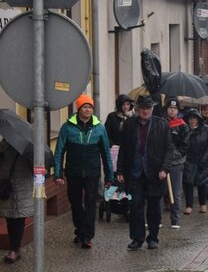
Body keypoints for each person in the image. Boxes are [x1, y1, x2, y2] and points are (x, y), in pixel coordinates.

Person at [54, 94, 113, 249]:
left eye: (90, 107)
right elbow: (59, 151)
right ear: (79, 109)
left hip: (92, 172)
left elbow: (106, 153)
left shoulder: (99, 128)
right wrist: (58, 174)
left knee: (90, 202)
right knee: (75, 201)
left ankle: (87, 235)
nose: (87, 110)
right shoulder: (67, 127)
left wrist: (109, 176)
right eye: (84, 107)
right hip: (73, 171)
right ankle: (80, 230)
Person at [116, 95, 172, 250]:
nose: (145, 111)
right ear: (137, 109)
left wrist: (164, 168)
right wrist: (120, 170)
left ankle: (153, 238)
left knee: (154, 208)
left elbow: (169, 149)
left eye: (148, 108)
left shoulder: (162, 125)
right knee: (135, 207)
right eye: (142, 108)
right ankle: (137, 238)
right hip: (135, 172)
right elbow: (123, 149)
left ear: (152, 109)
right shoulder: (129, 124)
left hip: (154, 173)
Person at [0, 139, 33, 264]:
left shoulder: (28, 147)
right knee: (9, 219)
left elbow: (36, 168)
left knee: (19, 219)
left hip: (23, 187)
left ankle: (14, 250)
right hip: (7, 188)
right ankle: (15, 249)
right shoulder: (1, 146)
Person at [162, 97, 189, 229]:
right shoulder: (161, 123)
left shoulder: (182, 126)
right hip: (162, 163)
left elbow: (185, 145)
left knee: (176, 193)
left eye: (174, 108)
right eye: (170, 108)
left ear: (178, 110)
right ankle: (157, 219)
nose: (172, 110)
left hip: (176, 163)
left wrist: (173, 155)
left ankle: (175, 220)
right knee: (159, 192)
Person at [182, 109, 208, 215]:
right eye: (190, 118)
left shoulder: (206, 129)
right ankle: (189, 205)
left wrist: (204, 160)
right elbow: (182, 145)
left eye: (194, 118)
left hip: (203, 160)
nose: (192, 121)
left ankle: (203, 204)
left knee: (202, 183)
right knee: (188, 183)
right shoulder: (185, 130)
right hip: (189, 160)